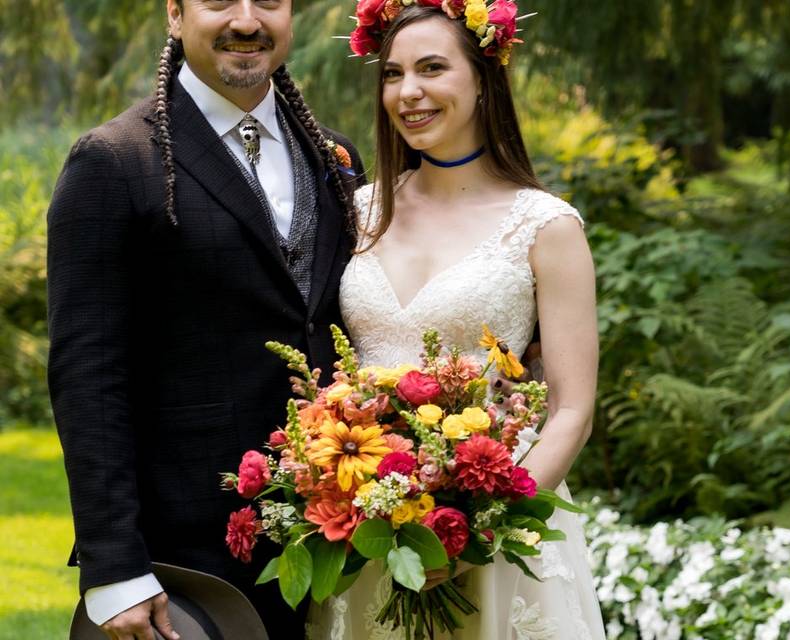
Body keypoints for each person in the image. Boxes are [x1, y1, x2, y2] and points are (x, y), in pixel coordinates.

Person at [46, 1, 363, 638]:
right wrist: (116, 569)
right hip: (184, 566)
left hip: (335, 550)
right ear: (174, 14)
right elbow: (88, 377)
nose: (246, 20)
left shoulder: (336, 159)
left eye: (268, 1)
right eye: (219, 0)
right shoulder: (113, 162)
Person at [307, 1, 605, 637]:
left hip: (495, 520)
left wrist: (485, 526)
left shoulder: (545, 226)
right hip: (368, 519)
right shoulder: (355, 210)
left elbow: (572, 411)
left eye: (433, 68)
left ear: (482, 76)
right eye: (392, 74)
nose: (409, 92)